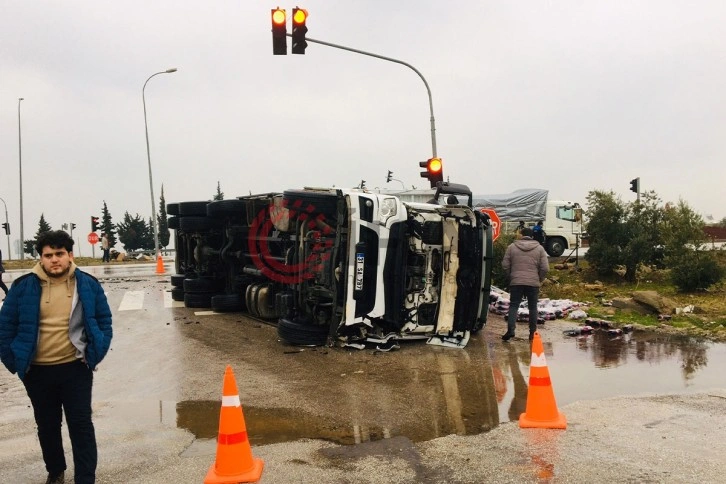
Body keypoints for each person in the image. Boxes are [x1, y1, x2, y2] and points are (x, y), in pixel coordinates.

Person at [0, 230, 113, 484]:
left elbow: (104, 321)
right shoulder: (22, 287)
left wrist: (96, 352)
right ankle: (56, 470)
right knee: (48, 426)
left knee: (81, 425)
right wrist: (15, 362)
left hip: (76, 367)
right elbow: (5, 327)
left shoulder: (87, 284)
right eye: (48, 255)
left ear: (70, 255)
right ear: (40, 258)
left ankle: (85, 477)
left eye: (59, 254)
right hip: (37, 371)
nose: (54, 260)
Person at [501, 227, 549, 342]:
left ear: (521, 235)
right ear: (532, 236)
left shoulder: (511, 247)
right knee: (533, 308)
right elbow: (545, 268)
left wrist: (511, 276)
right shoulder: (540, 249)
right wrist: (539, 279)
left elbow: (505, 265)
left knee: (513, 306)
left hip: (516, 282)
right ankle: (532, 333)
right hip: (533, 282)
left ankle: (511, 330)